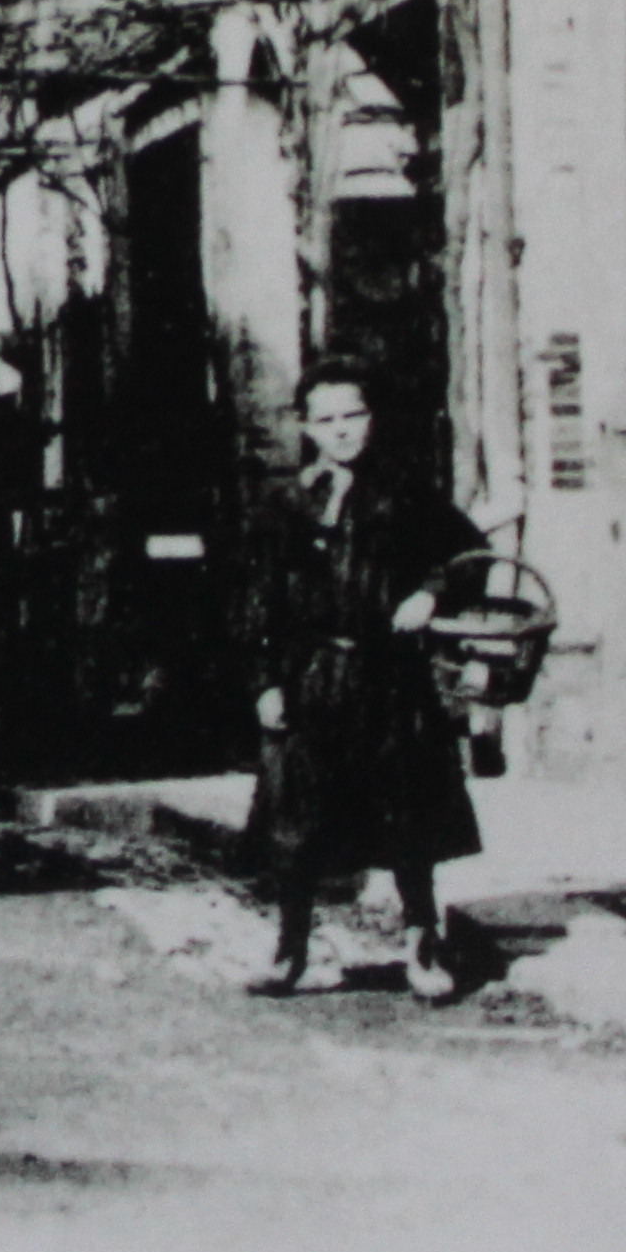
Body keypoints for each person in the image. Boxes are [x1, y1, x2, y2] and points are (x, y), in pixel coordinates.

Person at [240, 368, 488, 1003]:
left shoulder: (407, 495)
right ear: (305, 427)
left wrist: (431, 594)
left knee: (406, 818)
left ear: (371, 418)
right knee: (297, 825)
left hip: (389, 680)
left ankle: (422, 946)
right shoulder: (286, 505)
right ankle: (291, 949)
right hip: (313, 681)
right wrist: (266, 683)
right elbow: (260, 602)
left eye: (352, 415)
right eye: (325, 420)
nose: (341, 430)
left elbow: (471, 557)